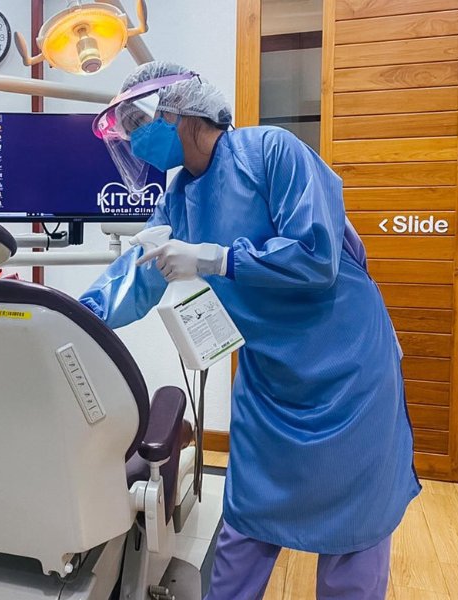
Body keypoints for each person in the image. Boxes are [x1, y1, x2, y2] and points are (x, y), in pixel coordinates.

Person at [80, 61, 420, 599]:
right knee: (246, 525)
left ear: (183, 113)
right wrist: (70, 315)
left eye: (139, 119)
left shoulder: (271, 152)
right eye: (127, 127)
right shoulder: (177, 199)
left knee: (354, 535)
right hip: (269, 377)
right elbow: (133, 279)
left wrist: (216, 259)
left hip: (348, 370)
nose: (138, 136)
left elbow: (316, 255)